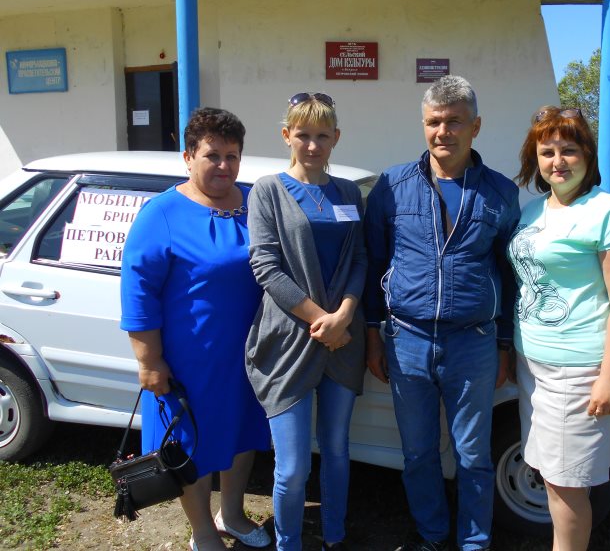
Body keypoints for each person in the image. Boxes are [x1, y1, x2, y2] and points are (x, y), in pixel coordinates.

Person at [364, 75, 520, 551]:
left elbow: (511, 276)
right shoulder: (392, 186)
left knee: (473, 456)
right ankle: (432, 535)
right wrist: (374, 337)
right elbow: (374, 263)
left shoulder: (500, 193)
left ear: (476, 126)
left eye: (454, 122)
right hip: (406, 342)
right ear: (423, 125)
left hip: (472, 342)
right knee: (417, 453)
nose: (442, 132)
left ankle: (474, 542)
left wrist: (504, 345)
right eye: (434, 122)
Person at [120, 108, 271, 551]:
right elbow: (138, 291)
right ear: (188, 156)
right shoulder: (162, 214)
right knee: (192, 445)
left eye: (233, 155)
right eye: (213, 155)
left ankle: (235, 514)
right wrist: (149, 360)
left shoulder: (254, 203)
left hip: (250, 356)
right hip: (190, 362)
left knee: (243, 433)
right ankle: (203, 530)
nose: (224, 165)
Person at [507, 106, 610, 551]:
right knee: (551, 475)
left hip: (577, 371)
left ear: (587, 154)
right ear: (535, 159)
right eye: (547, 152)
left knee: (567, 486)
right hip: (535, 365)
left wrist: (609, 376)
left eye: (569, 150)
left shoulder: (609, 213)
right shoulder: (531, 211)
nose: (557, 161)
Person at [245, 92, 367, 551]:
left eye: (322, 135)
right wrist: (323, 321)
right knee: (293, 466)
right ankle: (289, 542)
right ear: (287, 136)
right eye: (303, 135)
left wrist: (345, 315)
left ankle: (335, 537)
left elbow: (360, 258)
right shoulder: (267, 191)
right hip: (289, 343)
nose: (313, 145)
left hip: (343, 340)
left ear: (336, 137)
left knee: (336, 450)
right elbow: (265, 266)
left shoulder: (349, 193)